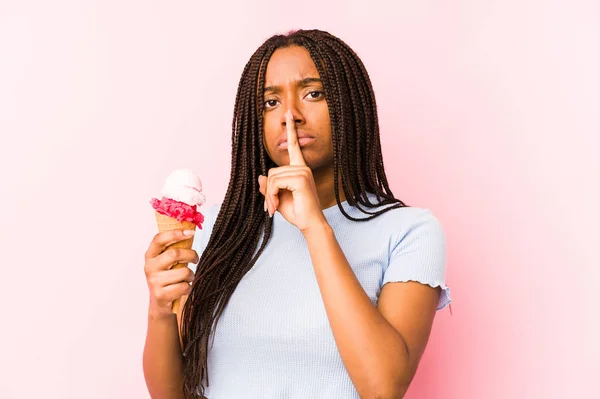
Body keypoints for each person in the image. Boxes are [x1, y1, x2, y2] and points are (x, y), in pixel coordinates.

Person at [143, 29, 451, 399]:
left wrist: (316, 228)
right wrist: (159, 311)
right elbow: (171, 394)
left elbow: (383, 387)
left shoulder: (409, 232)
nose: (290, 115)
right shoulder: (214, 228)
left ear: (350, 106)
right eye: (270, 102)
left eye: (313, 94)